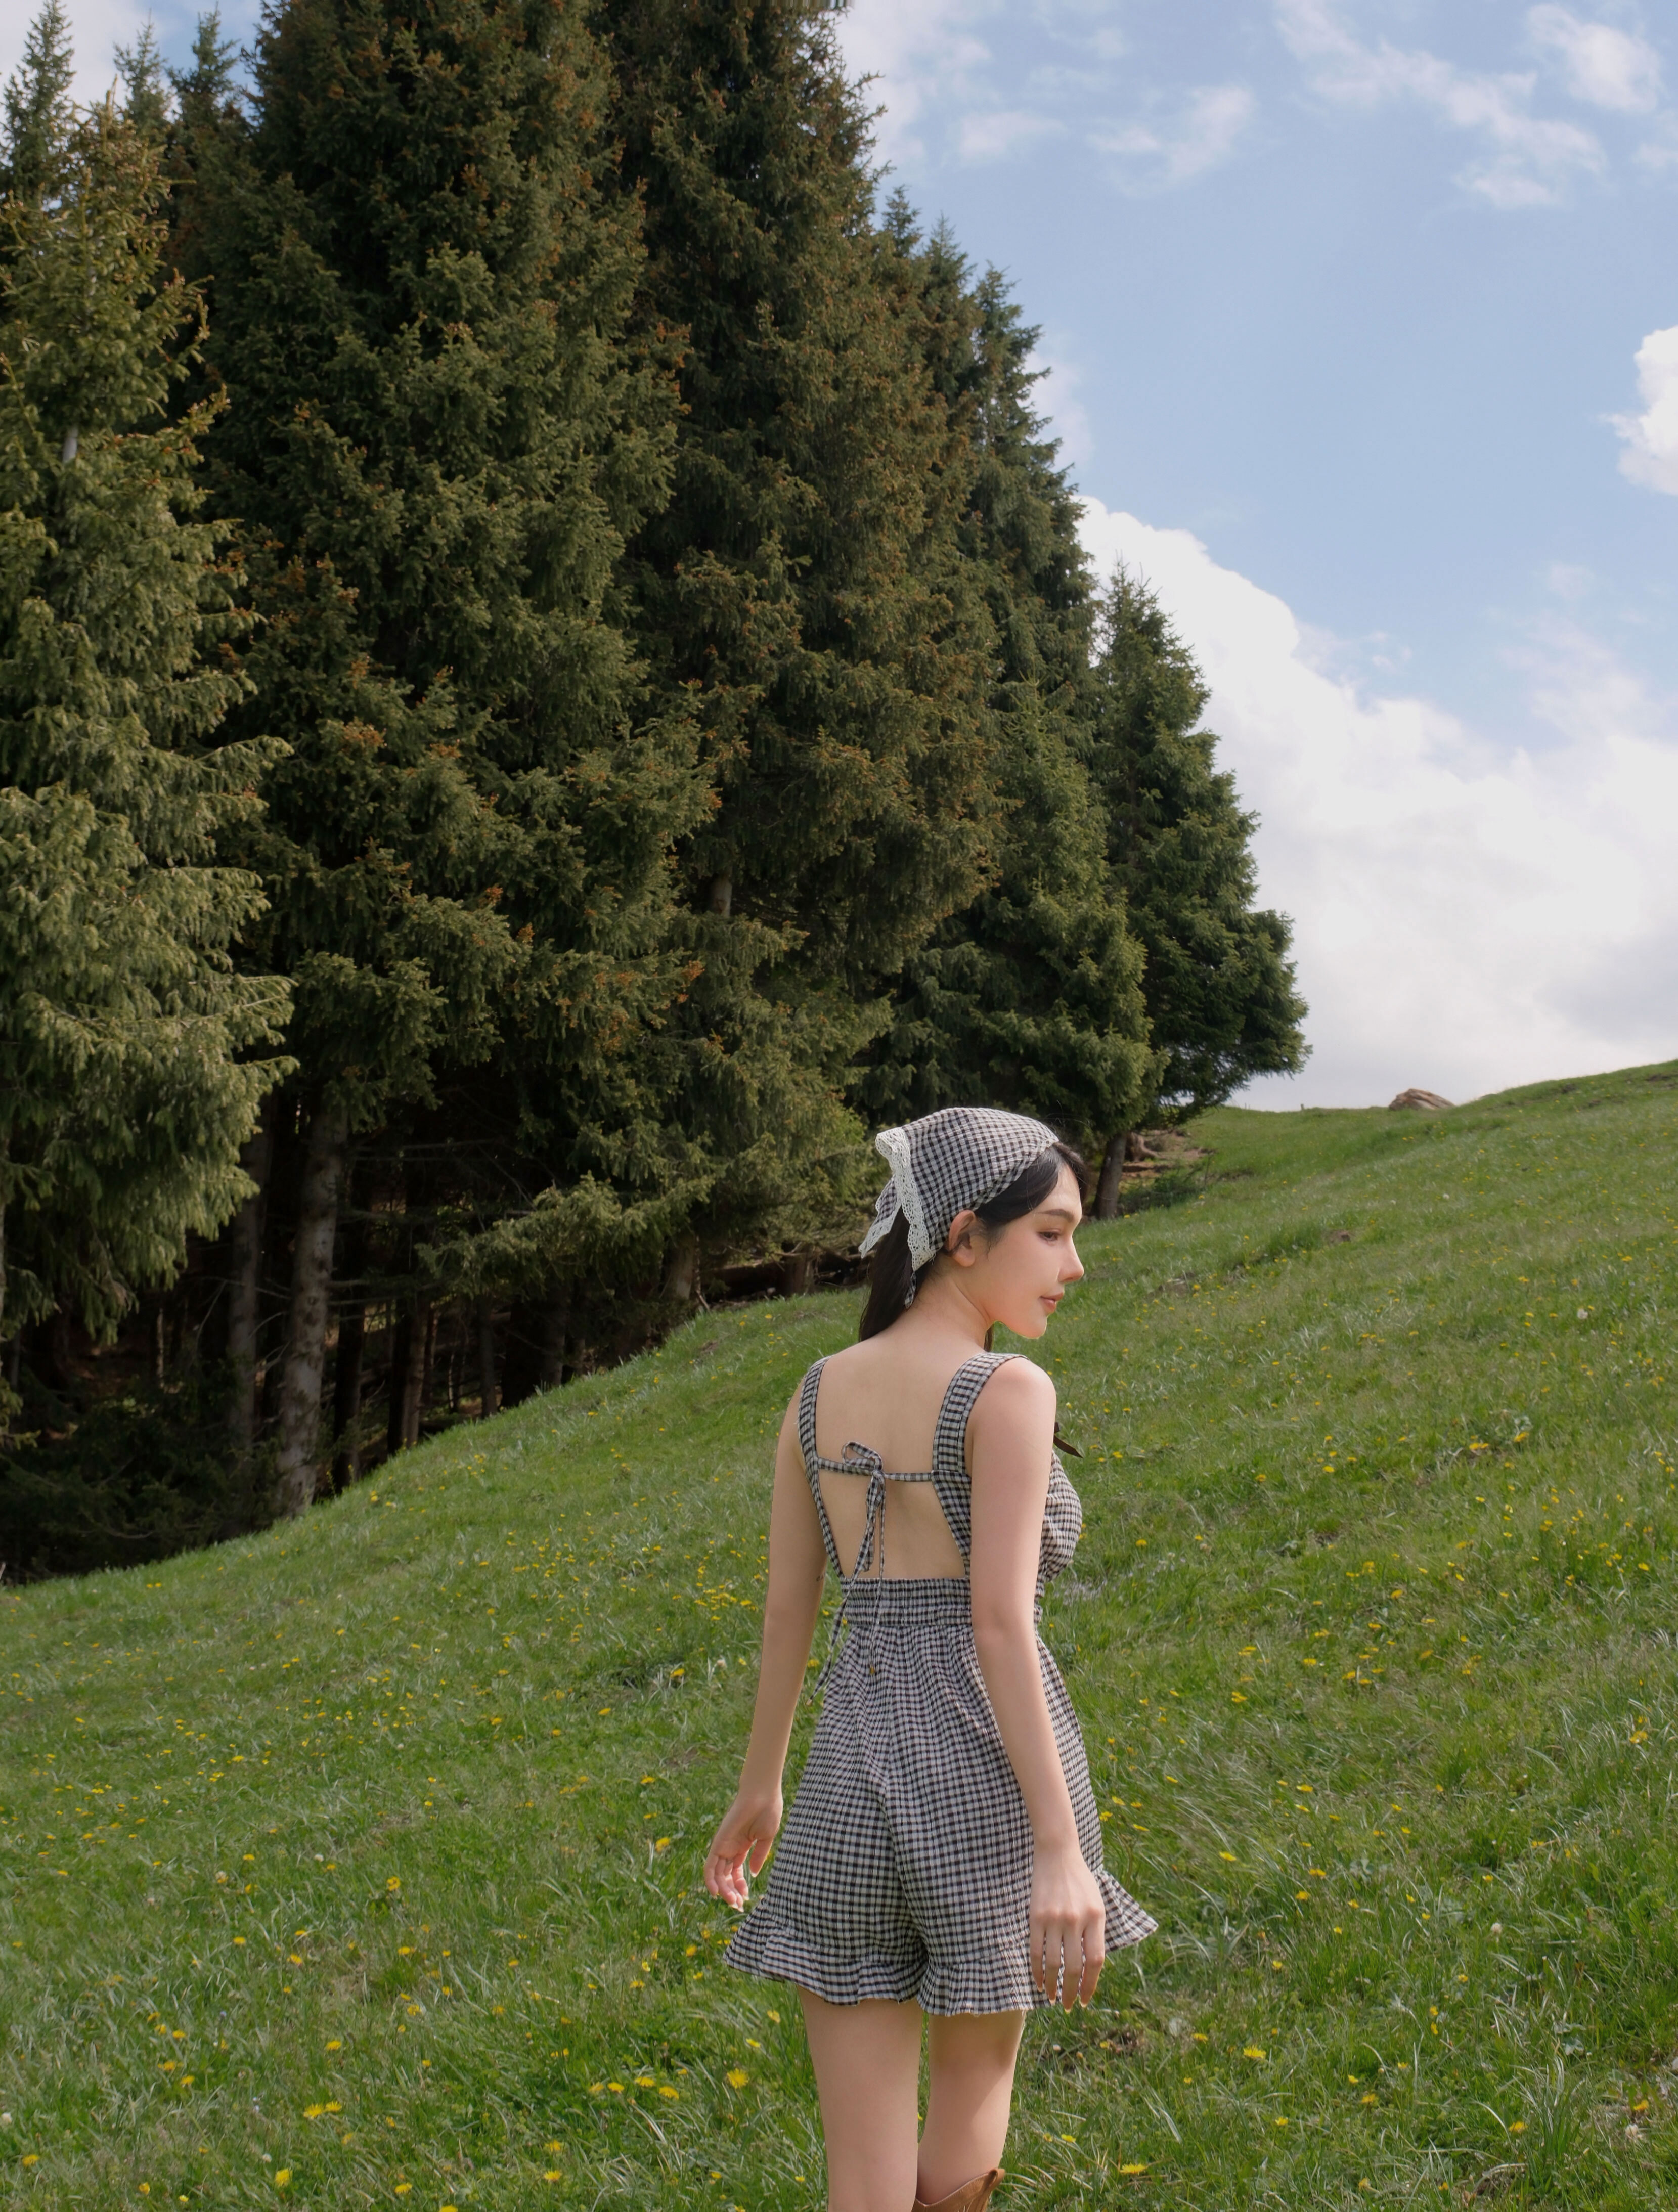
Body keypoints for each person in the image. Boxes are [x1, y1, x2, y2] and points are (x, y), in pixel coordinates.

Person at [705, 1108, 1155, 2212]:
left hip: (845, 1783)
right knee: (965, 2127)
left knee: (859, 2183)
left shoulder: (817, 1390)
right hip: (984, 1783)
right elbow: (999, 1623)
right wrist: (1059, 1847)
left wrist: (762, 1787)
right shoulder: (1008, 1391)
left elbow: (787, 1611)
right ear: (962, 1235)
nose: (1074, 1266)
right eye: (1051, 1233)